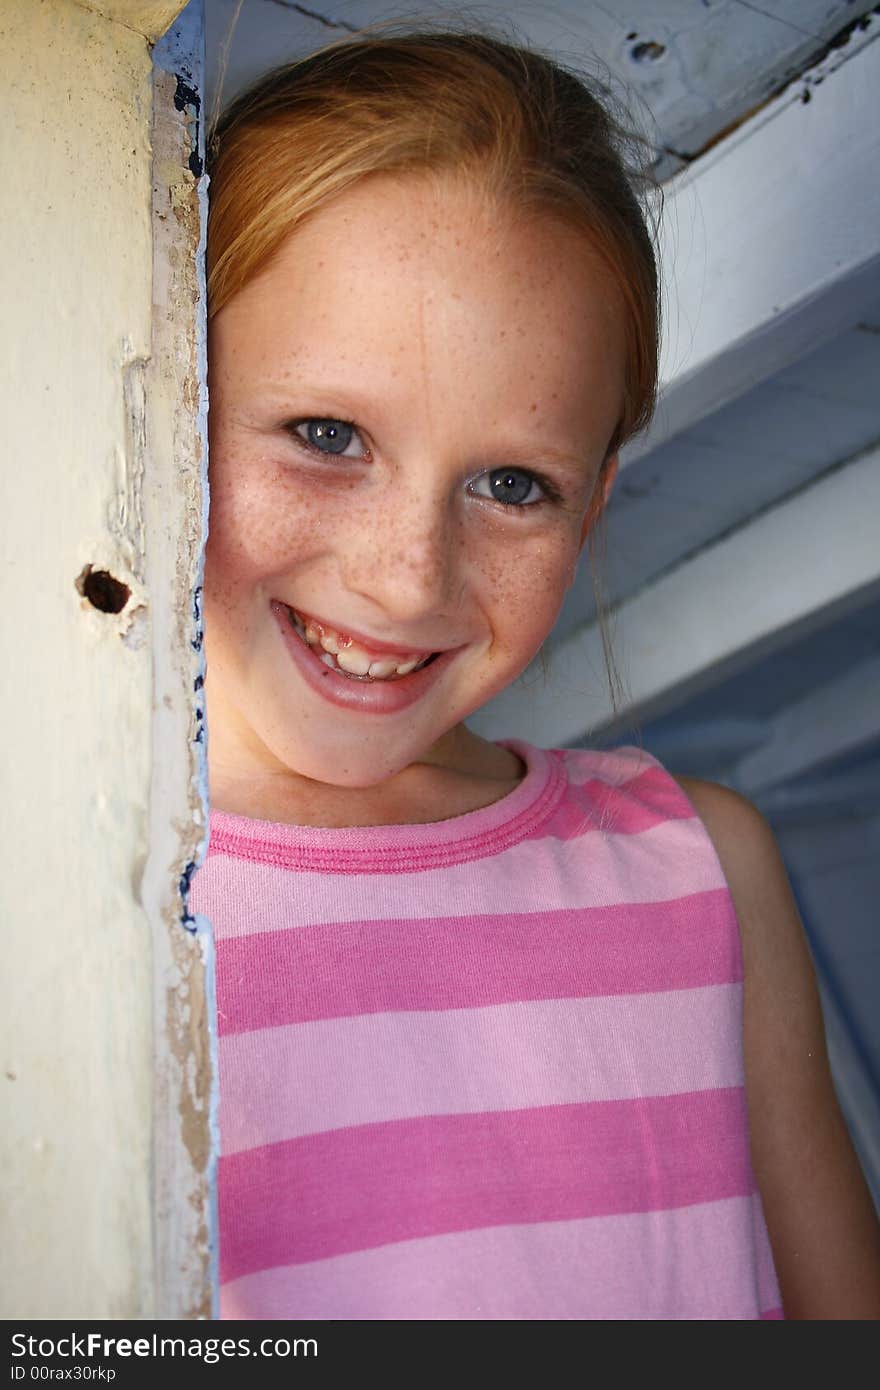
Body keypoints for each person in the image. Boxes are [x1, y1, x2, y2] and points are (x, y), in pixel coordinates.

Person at [191, 30, 880, 1320]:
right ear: (170, 408)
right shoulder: (60, 910)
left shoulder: (706, 865)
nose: (407, 580)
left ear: (596, 500)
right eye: (325, 436)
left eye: (515, 485)